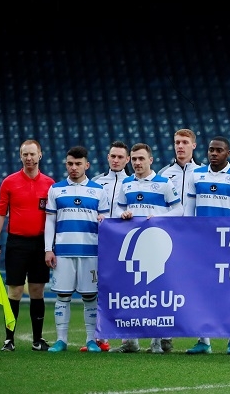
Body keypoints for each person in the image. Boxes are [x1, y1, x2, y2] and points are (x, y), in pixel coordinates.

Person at [111, 143, 183, 354]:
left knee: (155, 294)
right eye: (134, 159)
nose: (137, 163)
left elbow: (179, 209)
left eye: (141, 158)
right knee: (132, 293)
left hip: (156, 246)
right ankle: (130, 342)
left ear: (150, 160)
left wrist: (161, 217)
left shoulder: (164, 183)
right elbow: (118, 208)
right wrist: (122, 214)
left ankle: (157, 341)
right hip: (135, 246)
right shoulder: (126, 183)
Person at [184, 137, 230, 355]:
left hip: (228, 245)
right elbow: (189, 212)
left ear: (227, 153)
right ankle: (204, 341)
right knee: (202, 292)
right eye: (211, 150)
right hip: (202, 245)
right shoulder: (196, 175)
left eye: (218, 150)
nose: (213, 153)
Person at [43, 146, 110, 352]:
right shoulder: (56, 189)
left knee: (90, 297)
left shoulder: (99, 190)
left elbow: (106, 222)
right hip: (63, 253)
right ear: (66, 164)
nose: (74, 167)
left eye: (78, 164)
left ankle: (91, 340)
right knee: (62, 296)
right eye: (70, 163)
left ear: (86, 165)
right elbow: (50, 221)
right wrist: (48, 249)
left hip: (91, 252)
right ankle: (61, 340)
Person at [0, 140, 55, 352]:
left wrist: (51, 246)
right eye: (25, 154)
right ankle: (9, 340)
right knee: (15, 290)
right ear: (20, 156)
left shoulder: (50, 184)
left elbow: (54, 217)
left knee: (37, 290)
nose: (29, 158)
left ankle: (37, 340)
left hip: (40, 243)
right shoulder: (9, 182)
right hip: (16, 243)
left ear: (40, 155)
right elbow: (0, 213)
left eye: (32, 154)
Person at [153, 128, 200, 354]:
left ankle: (203, 338)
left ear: (194, 145)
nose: (180, 146)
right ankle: (165, 335)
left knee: (197, 286)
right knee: (166, 285)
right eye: (177, 142)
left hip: (194, 239)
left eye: (184, 142)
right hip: (169, 238)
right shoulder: (163, 174)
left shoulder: (202, 172)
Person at [84, 140, 130, 352]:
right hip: (99, 244)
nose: (116, 160)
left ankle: (127, 339)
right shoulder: (96, 183)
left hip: (123, 245)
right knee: (98, 290)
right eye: (113, 156)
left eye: (120, 157)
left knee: (124, 291)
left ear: (127, 159)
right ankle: (99, 338)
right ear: (108, 157)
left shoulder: (133, 183)